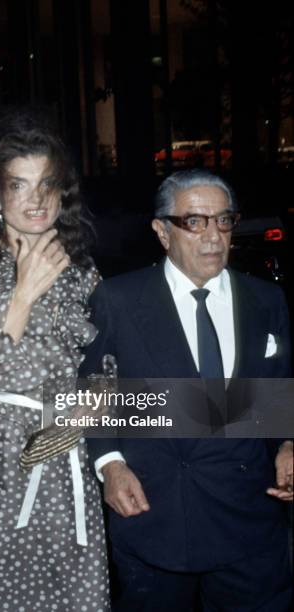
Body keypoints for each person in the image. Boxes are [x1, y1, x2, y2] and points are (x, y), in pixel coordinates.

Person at [80, 169, 293, 611]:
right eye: (194, 222)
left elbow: (276, 392)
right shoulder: (116, 299)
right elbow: (86, 395)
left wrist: (287, 443)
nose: (213, 236)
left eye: (224, 221)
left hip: (248, 515)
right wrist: (110, 464)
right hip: (154, 513)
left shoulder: (266, 300)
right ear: (162, 231)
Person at [0, 108, 110, 611]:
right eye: (19, 185)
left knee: (72, 593)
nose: (35, 200)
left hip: (63, 457)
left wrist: (81, 415)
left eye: (47, 184)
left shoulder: (83, 271)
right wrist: (23, 295)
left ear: (64, 192)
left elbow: (107, 368)